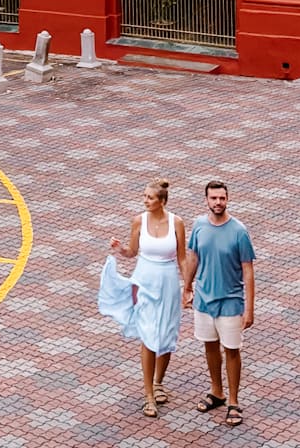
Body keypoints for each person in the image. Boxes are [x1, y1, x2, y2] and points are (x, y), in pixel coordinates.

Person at [98, 177, 186, 418]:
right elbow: (132, 251)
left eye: (150, 197)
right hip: (144, 281)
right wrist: (119, 249)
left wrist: (188, 286)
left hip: (168, 282)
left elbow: (182, 258)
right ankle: (148, 394)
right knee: (148, 334)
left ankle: (159, 382)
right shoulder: (138, 221)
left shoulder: (177, 223)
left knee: (167, 334)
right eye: (144, 197)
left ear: (162, 201)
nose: (145, 201)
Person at [183, 179, 256, 428]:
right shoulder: (200, 226)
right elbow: (193, 257)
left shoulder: (239, 231)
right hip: (204, 301)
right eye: (213, 198)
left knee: (232, 351)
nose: (218, 202)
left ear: (228, 199)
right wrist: (187, 288)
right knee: (210, 346)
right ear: (206, 200)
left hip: (231, 302)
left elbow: (248, 271)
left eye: (222, 198)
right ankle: (217, 392)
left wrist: (250, 308)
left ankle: (233, 401)